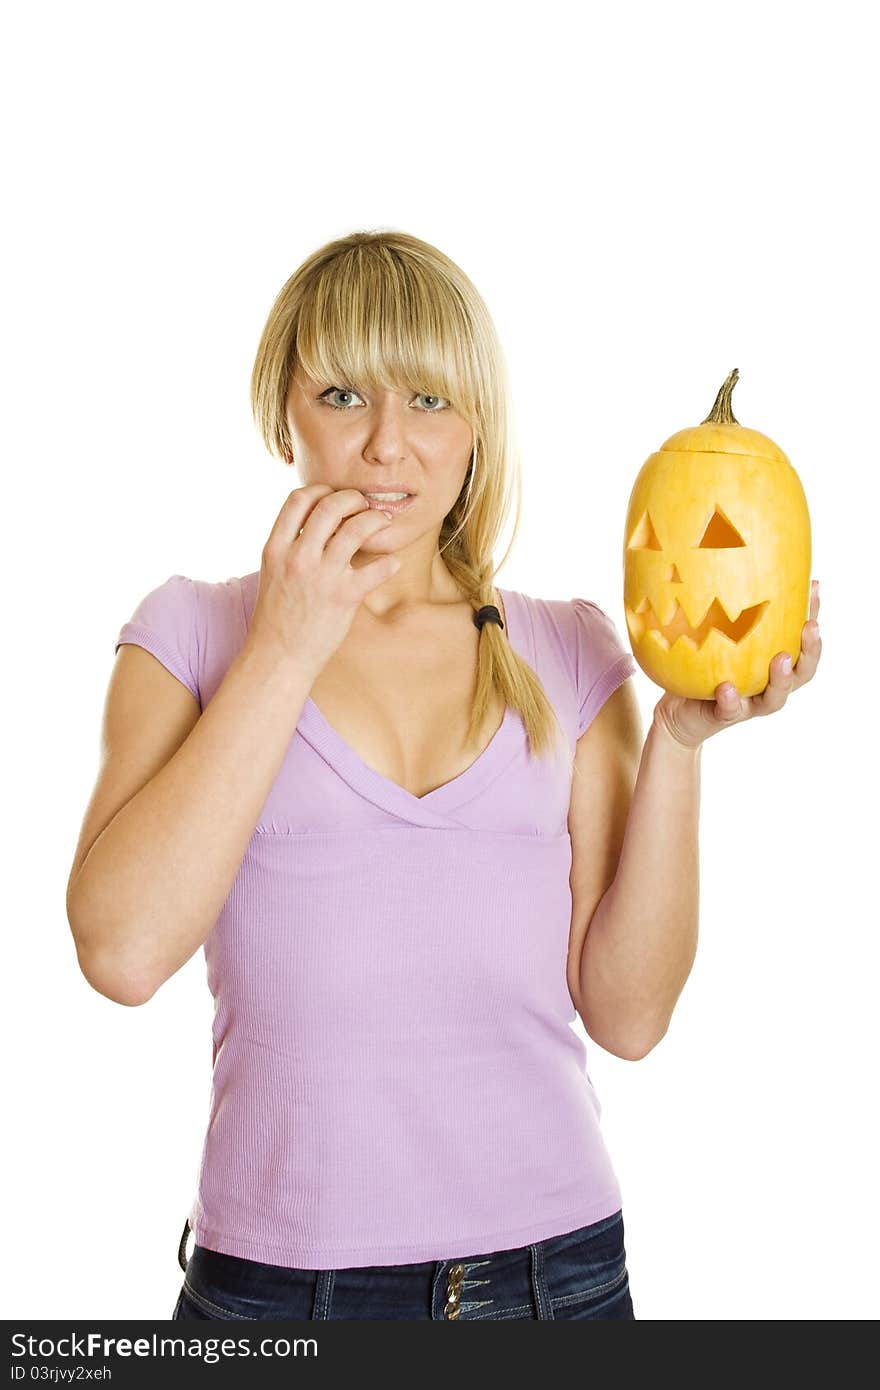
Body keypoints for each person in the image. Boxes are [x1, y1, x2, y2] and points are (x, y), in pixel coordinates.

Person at [66, 230, 821, 1322]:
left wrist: (680, 740)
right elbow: (122, 953)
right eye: (342, 394)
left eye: (428, 400)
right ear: (285, 410)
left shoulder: (569, 649)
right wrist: (286, 645)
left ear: (476, 427)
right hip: (277, 1296)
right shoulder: (190, 633)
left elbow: (629, 1015)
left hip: (554, 1281)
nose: (386, 446)